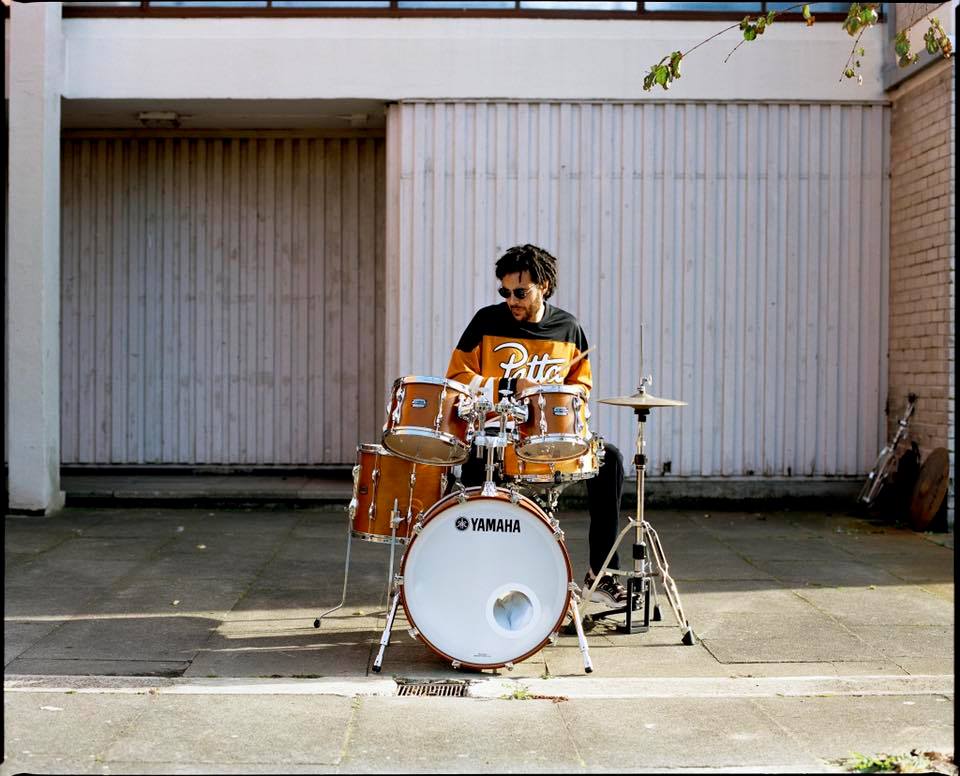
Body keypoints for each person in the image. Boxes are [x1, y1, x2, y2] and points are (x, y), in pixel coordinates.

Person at [446, 243, 627, 606]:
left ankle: (602, 575)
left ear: (543, 285)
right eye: (505, 292)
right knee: (474, 465)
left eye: (520, 292)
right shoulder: (486, 322)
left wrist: (560, 399)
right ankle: (476, 576)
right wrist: (510, 385)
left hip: (550, 436)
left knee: (611, 460)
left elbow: (581, 387)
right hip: (496, 435)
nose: (510, 300)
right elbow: (457, 379)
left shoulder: (568, 328)